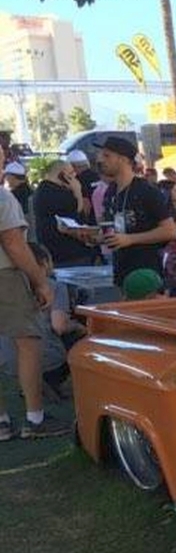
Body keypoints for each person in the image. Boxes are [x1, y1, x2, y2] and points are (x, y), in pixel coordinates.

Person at [0, 184, 71, 439]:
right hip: (5, 275)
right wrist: (40, 282)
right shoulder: (3, 197)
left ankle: (2, 422)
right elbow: (14, 243)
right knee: (28, 342)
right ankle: (35, 418)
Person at [0, 242, 84, 404]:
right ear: (45, 263)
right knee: (79, 335)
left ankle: (30, 388)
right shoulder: (55, 286)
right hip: (45, 360)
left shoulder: (7, 289)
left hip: (7, 363)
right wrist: (80, 327)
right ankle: (57, 383)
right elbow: (59, 326)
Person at [94, 135, 176, 293]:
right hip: (121, 271)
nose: (100, 160)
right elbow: (114, 229)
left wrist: (130, 239)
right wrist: (95, 237)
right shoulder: (111, 191)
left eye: (107, 155)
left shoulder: (146, 191)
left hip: (146, 274)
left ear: (123, 159)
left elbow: (169, 231)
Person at [31, 160, 94, 268]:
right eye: (71, 173)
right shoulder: (54, 192)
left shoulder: (44, 190)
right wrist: (78, 191)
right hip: (68, 254)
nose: (75, 176)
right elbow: (77, 215)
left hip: (61, 252)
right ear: (63, 175)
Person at [66, 149, 99, 221]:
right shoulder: (98, 176)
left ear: (73, 166)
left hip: (90, 221)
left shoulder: (77, 181)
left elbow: (85, 203)